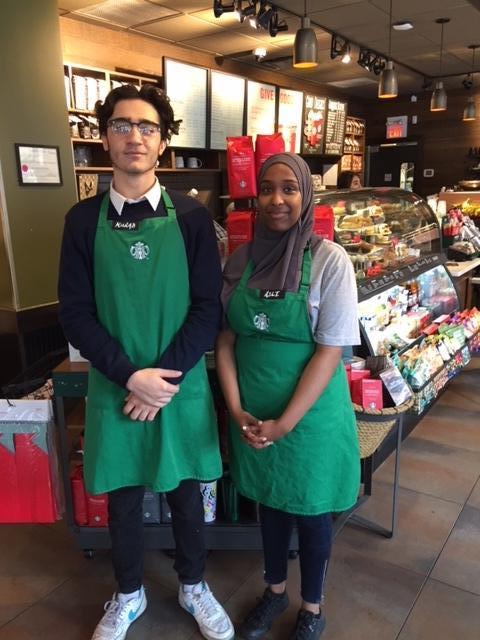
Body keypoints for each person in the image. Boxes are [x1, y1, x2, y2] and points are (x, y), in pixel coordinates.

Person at [58, 84, 234, 640]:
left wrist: (162, 380)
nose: (134, 136)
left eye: (147, 127)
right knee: (125, 496)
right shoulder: (81, 221)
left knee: (185, 492)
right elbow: (75, 313)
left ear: (162, 142)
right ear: (105, 138)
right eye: (122, 125)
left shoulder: (192, 218)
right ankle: (128, 592)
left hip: (178, 384)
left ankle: (193, 585)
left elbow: (207, 308)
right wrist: (131, 376)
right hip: (117, 383)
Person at [216, 153, 360, 640]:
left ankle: (312, 608)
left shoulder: (329, 261)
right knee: (271, 504)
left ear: (306, 195)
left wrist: (285, 423)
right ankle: (274, 592)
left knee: (313, 512)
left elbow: (330, 351)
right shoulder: (240, 260)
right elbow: (226, 341)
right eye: (267, 189)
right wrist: (236, 408)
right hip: (253, 412)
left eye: (289, 189)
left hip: (309, 416)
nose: (276, 200)